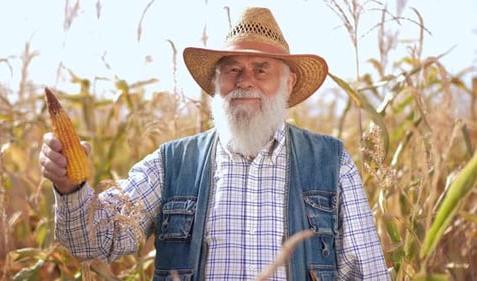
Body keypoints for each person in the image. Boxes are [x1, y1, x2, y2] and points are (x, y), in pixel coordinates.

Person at [39, 7, 390, 281]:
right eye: (232, 69)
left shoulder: (331, 162)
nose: (245, 81)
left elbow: (366, 273)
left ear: (288, 81)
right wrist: (71, 187)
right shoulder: (172, 163)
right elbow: (95, 242)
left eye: (261, 69)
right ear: (216, 82)